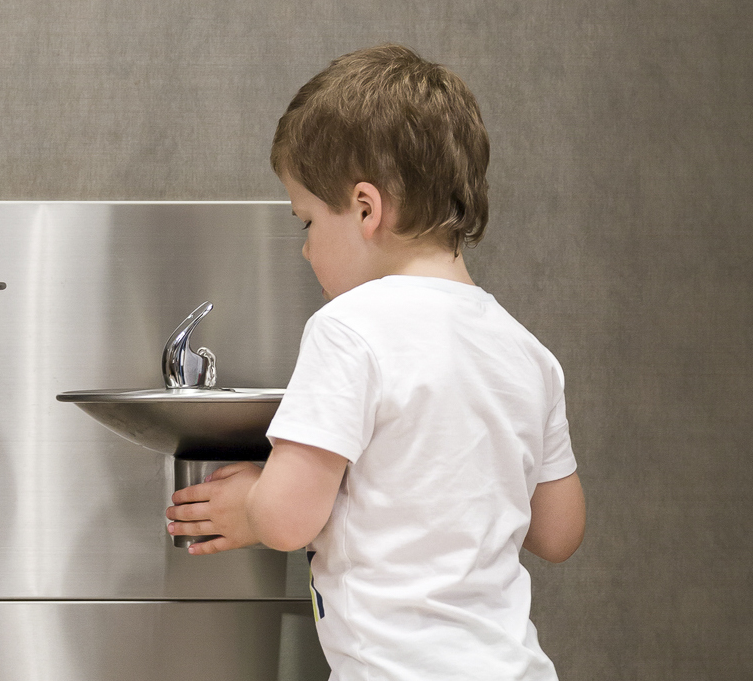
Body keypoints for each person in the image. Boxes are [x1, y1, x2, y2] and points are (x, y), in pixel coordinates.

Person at [164, 44, 586, 680]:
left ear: (366, 208)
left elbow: (286, 518)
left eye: (306, 221)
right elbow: (559, 533)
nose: (305, 251)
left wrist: (250, 503)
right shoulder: (527, 352)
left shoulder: (349, 329)